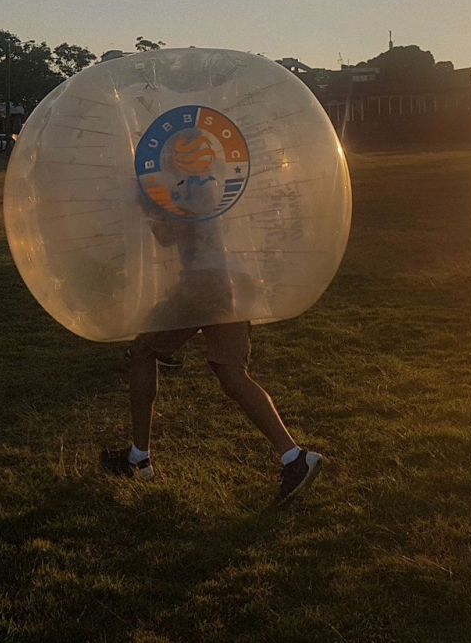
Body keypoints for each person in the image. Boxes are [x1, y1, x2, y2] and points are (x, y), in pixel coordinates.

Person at [102, 214, 323, 506]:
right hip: (227, 280)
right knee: (232, 374)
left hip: (201, 284)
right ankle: (295, 457)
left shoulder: (186, 184)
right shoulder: (208, 179)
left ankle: (138, 459)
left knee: (144, 350)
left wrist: (150, 210)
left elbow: (173, 233)